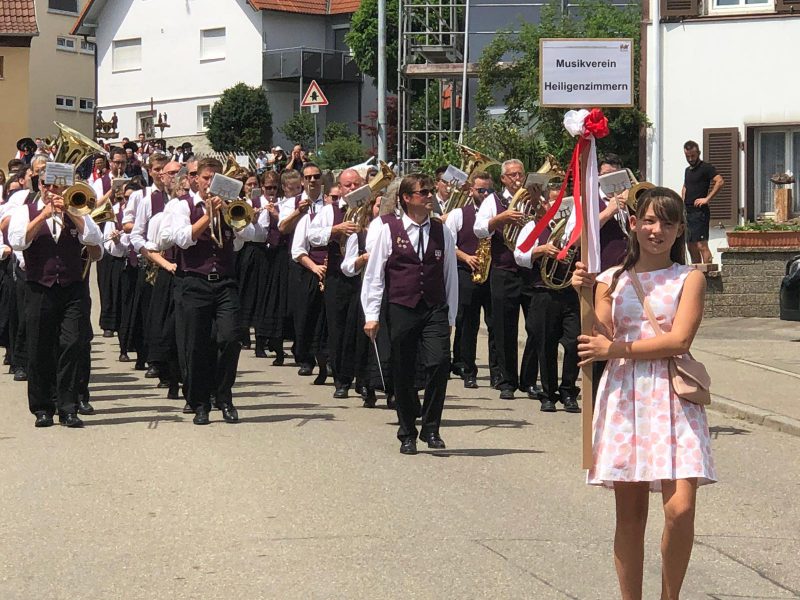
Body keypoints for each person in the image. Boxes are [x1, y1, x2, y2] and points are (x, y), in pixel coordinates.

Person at [575, 186, 717, 600]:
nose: (657, 230)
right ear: (633, 224)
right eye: (650, 221)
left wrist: (614, 349)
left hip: (673, 396)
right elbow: (598, 332)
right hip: (626, 398)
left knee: (680, 509)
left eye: (668, 223)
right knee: (631, 516)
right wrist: (582, 291)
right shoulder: (612, 279)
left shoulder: (689, 277)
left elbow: (678, 340)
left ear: (678, 231)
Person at [362, 174, 458, 455]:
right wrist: (372, 314)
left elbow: (449, 274)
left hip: (434, 307)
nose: (429, 196)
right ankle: (407, 431)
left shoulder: (442, 231)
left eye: (430, 191)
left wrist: (451, 315)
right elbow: (375, 274)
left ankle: (431, 426)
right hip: (402, 306)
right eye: (423, 192)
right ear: (406, 198)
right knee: (402, 369)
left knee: (439, 362)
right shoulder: (385, 228)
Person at [8, 163, 104, 427]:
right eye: (47, 185)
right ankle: (42, 408)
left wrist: (72, 213)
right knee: (39, 348)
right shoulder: (25, 212)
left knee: (72, 345)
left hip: (73, 287)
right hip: (40, 287)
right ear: (40, 186)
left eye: (59, 186)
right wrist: (43, 215)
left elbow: (95, 241)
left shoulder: (79, 210)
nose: (53, 190)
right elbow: (17, 241)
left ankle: (68, 407)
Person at [163, 157, 247, 425]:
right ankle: (200, 403)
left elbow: (244, 241)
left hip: (225, 281)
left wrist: (233, 217)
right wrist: (209, 216)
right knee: (197, 346)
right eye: (206, 178)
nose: (210, 183)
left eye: (215, 178)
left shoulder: (230, 203)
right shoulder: (180, 205)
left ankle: (224, 396)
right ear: (195, 179)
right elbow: (182, 240)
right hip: (194, 281)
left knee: (231, 338)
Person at [473, 158, 539, 400]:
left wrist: (538, 204)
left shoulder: (532, 198)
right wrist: (501, 219)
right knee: (504, 327)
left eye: (520, 173)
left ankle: (530, 380)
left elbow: (548, 222)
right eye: (511, 175)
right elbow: (479, 230)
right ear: (503, 179)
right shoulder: (493, 201)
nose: (517, 178)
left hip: (531, 270)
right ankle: (507, 380)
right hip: (504, 269)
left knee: (536, 326)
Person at [514, 187, 580, 413]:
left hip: (571, 291)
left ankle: (569, 391)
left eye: (562, 203)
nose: (557, 207)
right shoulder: (534, 227)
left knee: (574, 343)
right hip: (543, 292)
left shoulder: (574, 227)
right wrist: (541, 249)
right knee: (545, 345)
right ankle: (548, 394)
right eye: (553, 202)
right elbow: (520, 256)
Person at [307, 168, 363, 397]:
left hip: (365, 275)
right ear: (339, 188)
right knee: (338, 328)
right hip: (337, 277)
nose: (351, 189)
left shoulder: (370, 210)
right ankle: (341, 379)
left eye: (355, 184)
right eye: (347, 185)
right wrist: (335, 230)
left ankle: (364, 379)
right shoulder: (329, 211)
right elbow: (312, 236)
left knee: (362, 328)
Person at [444, 171, 500, 389]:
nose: (485, 194)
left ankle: (497, 373)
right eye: (481, 190)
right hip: (467, 272)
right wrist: (466, 257)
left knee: (495, 324)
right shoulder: (459, 214)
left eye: (489, 190)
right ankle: (468, 369)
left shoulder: (498, 212)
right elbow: (449, 243)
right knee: (468, 323)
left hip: (492, 273)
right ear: (471, 191)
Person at [681, 141, 724, 264]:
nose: (690, 159)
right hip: (687, 211)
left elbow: (720, 181)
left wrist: (707, 199)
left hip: (700, 212)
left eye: (693, 156)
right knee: (690, 245)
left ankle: (707, 275)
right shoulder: (687, 170)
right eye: (687, 156)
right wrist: (681, 202)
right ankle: (697, 274)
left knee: (701, 245)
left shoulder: (706, 168)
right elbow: (685, 186)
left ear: (698, 153)